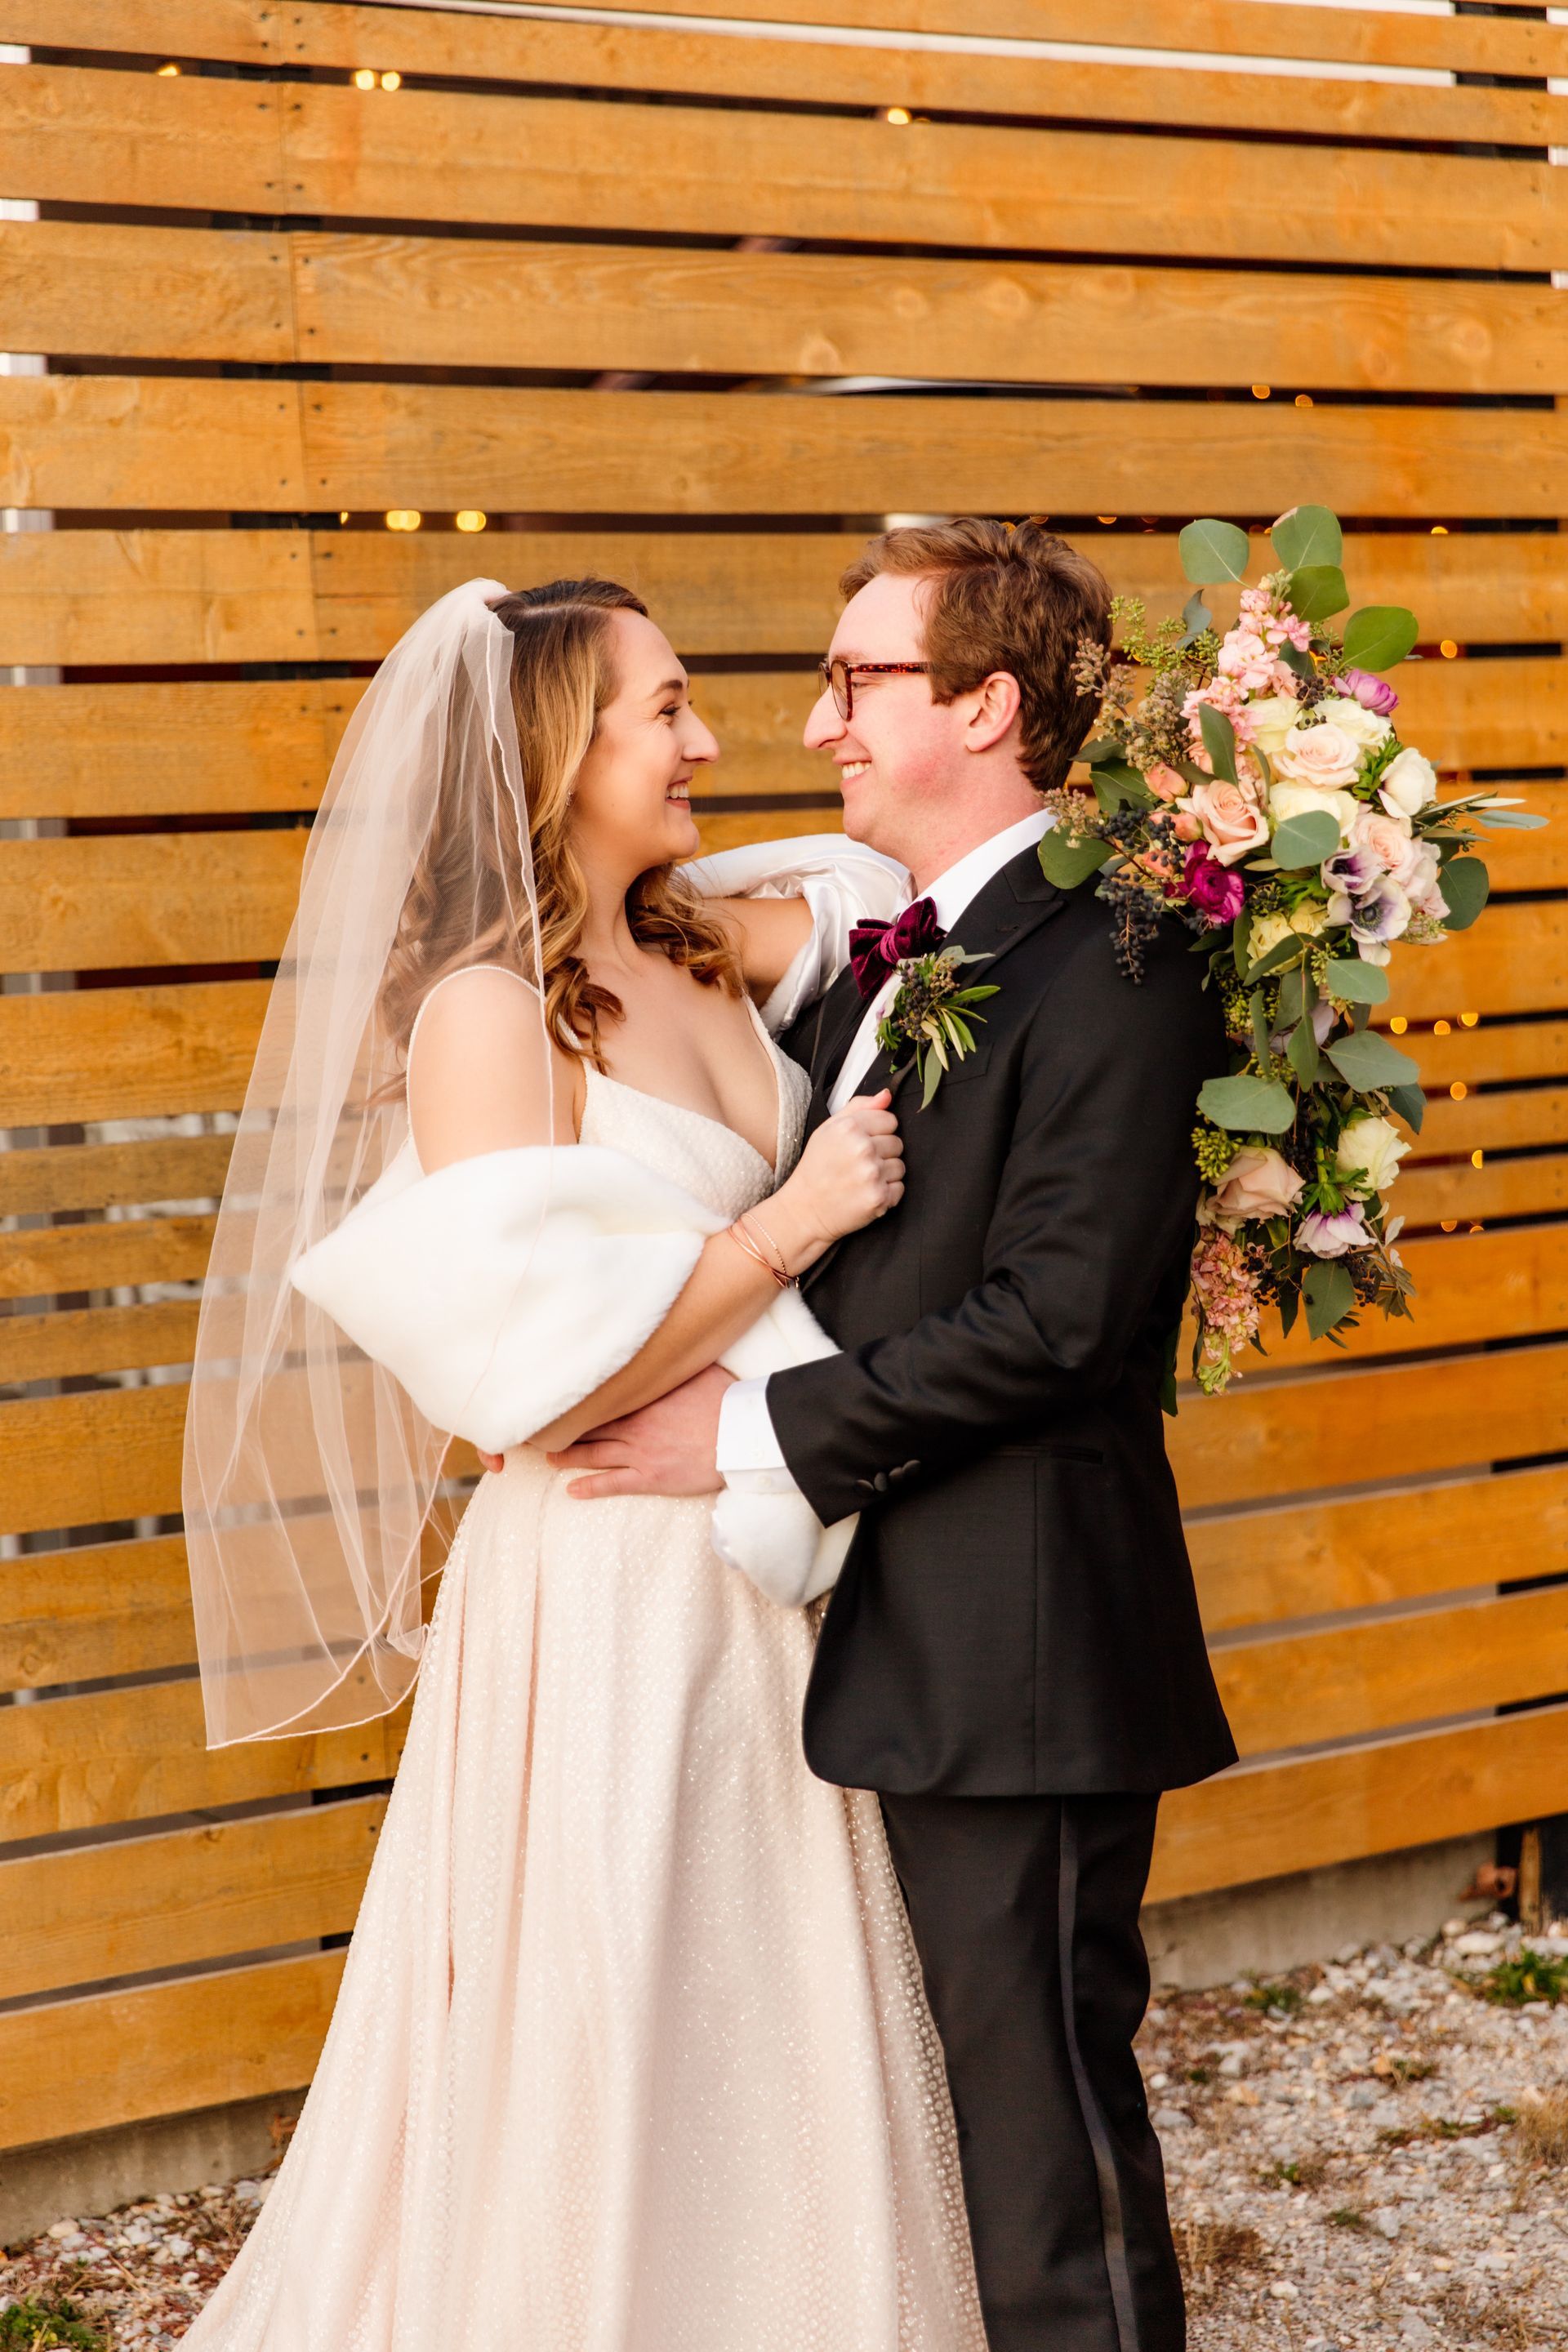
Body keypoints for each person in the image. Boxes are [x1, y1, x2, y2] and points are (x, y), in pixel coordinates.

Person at [179, 576, 987, 2348]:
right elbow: (533, 1383)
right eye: (666, 710)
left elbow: (902, 905)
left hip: (753, 1540)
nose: (710, 741)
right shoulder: (488, 1018)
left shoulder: (700, 948)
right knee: (623, 1992)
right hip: (612, 1577)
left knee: (770, 1997)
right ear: (557, 750)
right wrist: (788, 1228)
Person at [548, 521, 1239, 2352]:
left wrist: (751, 1433)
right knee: (946, 2139)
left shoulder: (1117, 958)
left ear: (986, 705)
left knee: (1043, 2152)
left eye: (857, 680)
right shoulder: (897, 954)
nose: (820, 723)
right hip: (903, 1634)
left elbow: (1062, 1322)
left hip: (1025, 1648)